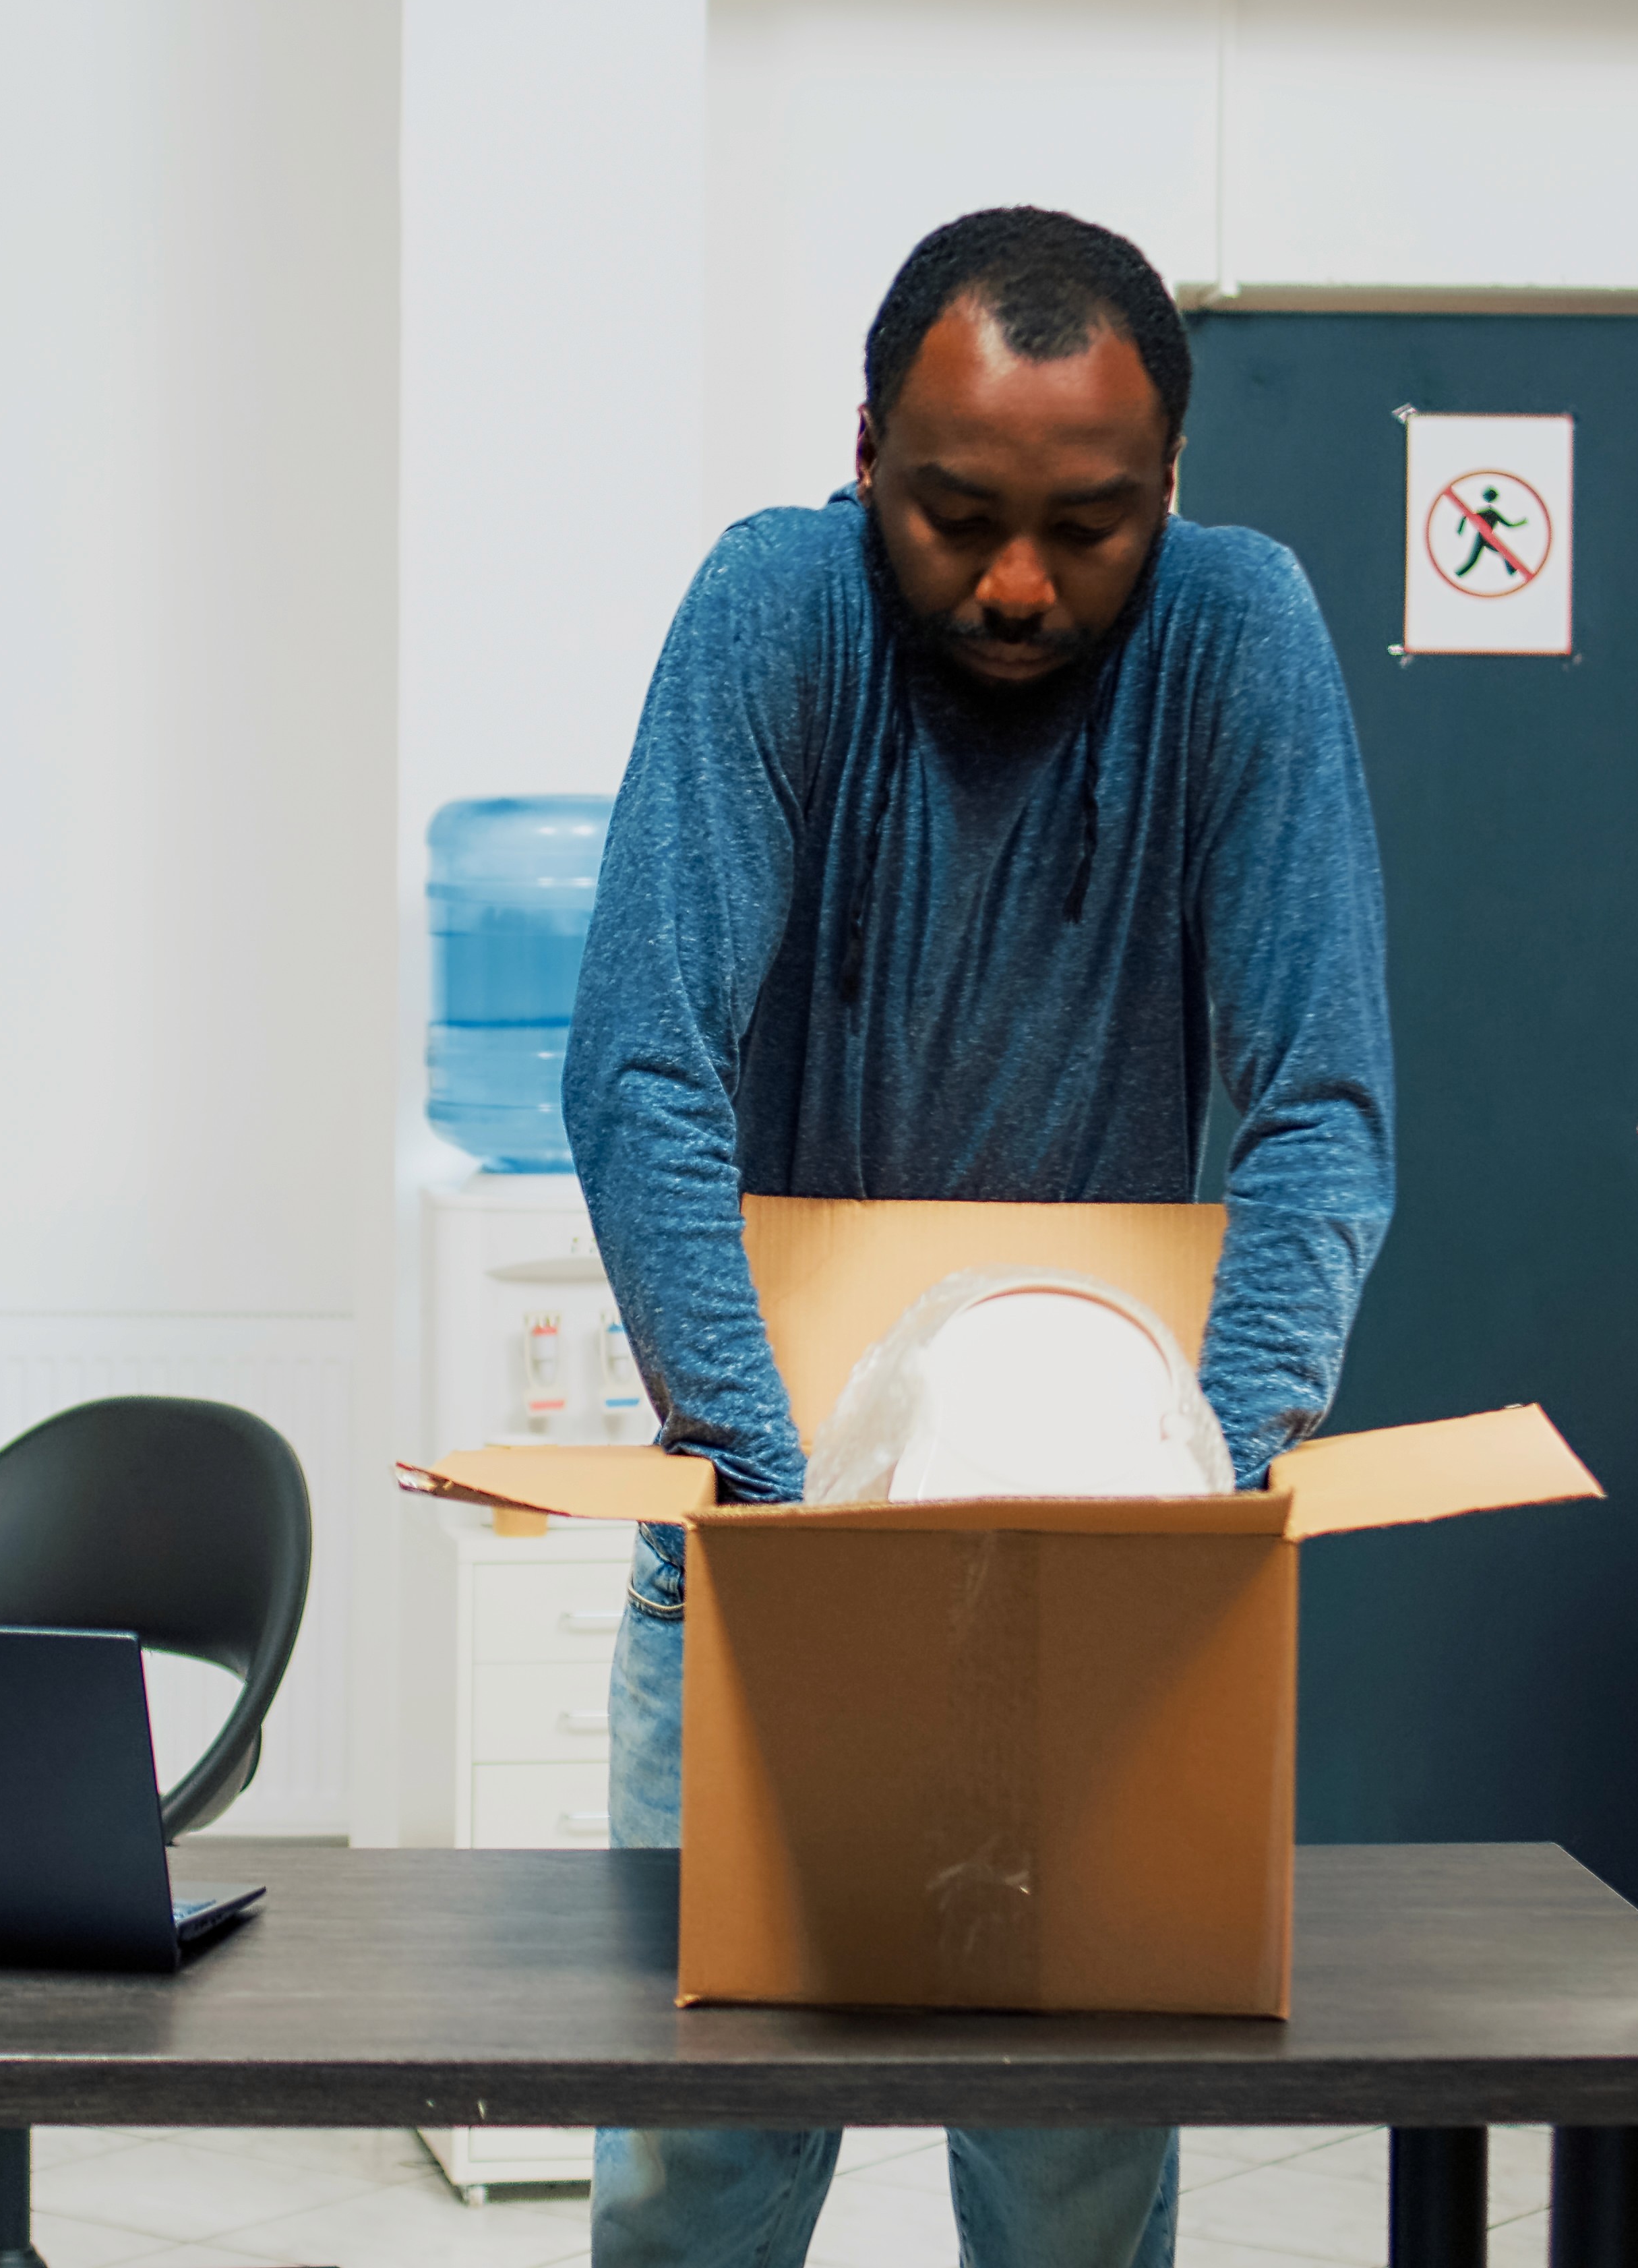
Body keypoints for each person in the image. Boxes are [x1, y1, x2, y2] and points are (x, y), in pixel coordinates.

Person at [564, 208, 1395, 2268]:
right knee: (707, 2163)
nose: (1019, 582)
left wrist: (1195, 1496)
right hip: (763, 1558)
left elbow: (1324, 1110)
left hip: (1098, 1578)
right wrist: (779, 1498)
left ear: (1169, 493)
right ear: (864, 451)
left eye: (1088, 528)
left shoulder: (1240, 634)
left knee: (1080, 2168)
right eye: (955, 516)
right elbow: (638, 1075)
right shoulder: (772, 614)